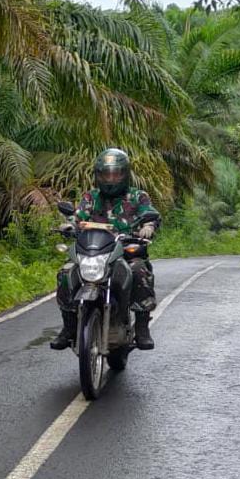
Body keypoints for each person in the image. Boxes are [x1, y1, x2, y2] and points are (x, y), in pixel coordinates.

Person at [50, 148, 160, 351]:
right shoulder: (91, 197)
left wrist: (148, 227)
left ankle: (142, 328)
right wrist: (69, 225)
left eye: (116, 174)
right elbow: (78, 217)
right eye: (106, 174)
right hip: (94, 251)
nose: (111, 179)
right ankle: (69, 327)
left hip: (126, 252)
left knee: (139, 271)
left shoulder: (138, 196)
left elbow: (150, 215)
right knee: (66, 273)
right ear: (98, 175)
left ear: (125, 174)